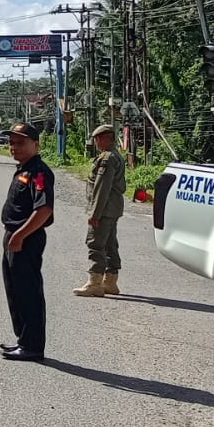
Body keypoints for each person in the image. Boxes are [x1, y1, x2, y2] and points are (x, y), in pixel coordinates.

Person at [0, 122, 55, 361]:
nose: (14, 147)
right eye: (12, 142)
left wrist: (20, 235)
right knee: (15, 291)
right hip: (14, 236)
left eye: (20, 142)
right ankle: (23, 340)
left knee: (28, 292)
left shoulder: (38, 172)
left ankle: (33, 346)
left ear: (36, 144)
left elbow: (43, 210)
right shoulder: (23, 169)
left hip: (26, 238)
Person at [75, 124, 126, 298]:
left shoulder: (108, 158)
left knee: (95, 243)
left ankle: (95, 283)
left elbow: (102, 188)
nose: (95, 142)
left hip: (104, 209)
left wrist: (95, 214)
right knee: (110, 244)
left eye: (98, 138)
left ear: (106, 138)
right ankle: (110, 282)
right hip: (113, 208)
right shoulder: (114, 156)